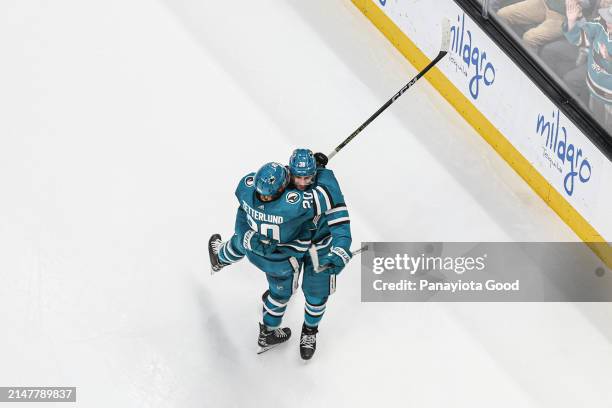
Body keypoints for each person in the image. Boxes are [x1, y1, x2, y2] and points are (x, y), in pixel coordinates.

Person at [208, 160, 335, 355]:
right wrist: (316, 171)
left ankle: (220, 258)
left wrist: (246, 236)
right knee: (279, 295)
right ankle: (267, 333)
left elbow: (242, 212)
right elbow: (322, 197)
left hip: (253, 248)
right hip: (280, 261)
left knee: (239, 240)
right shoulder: (296, 206)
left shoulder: (248, 187)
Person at [287, 149, 352, 360]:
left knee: (316, 294)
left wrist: (340, 250)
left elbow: (341, 226)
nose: (304, 182)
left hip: (320, 247)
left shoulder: (327, 185)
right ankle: (278, 295)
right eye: (299, 176)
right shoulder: (281, 182)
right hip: (291, 245)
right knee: (281, 281)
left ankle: (309, 330)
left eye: (309, 177)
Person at [564, 1, 612, 131]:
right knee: (596, 124)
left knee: (607, 132)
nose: (607, 22)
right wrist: (573, 20)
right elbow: (579, 38)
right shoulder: (600, 24)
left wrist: (608, 58)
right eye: (608, 17)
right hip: (594, 90)